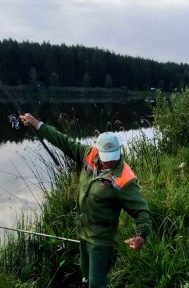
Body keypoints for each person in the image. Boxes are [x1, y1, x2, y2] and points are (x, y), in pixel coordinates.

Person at [19, 113, 152, 288]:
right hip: (83, 233)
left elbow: (142, 212)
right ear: (99, 151)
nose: (109, 162)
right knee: (86, 278)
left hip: (100, 241)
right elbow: (63, 141)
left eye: (113, 157)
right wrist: (37, 124)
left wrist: (142, 235)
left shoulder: (126, 180)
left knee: (97, 284)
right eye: (106, 158)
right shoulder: (89, 154)